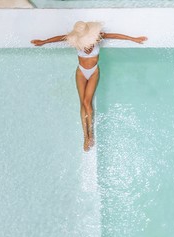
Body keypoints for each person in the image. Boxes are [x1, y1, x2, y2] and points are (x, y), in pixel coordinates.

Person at [31, 21, 147, 151]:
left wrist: (134, 39)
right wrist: (43, 42)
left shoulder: (96, 37)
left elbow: (115, 35)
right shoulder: (75, 40)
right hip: (81, 72)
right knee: (83, 103)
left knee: (87, 102)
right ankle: (85, 136)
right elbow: (59, 38)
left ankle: (90, 134)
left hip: (93, 73)